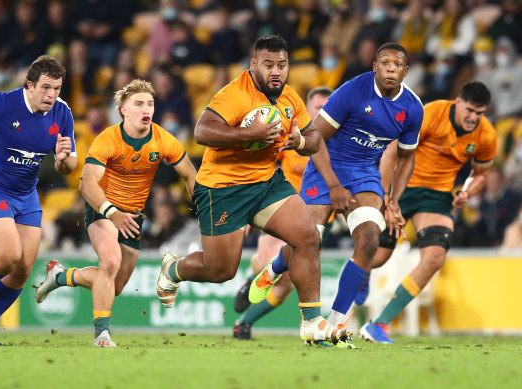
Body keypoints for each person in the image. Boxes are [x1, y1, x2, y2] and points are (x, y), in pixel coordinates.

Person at [155, 34, 349, 346]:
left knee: (308, 237)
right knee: (220, 271)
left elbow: (314, 138)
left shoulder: (289, 97)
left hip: (265, 183)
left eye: (282, 65)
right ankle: (174, 268)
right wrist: (249, 134)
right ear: (254, 64)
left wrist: (299, 142)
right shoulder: (234, 94)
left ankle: (312, 322)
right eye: (269, 64)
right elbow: (202, 131)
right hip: (222, 188)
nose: (276, 71)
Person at [250, 42, 424, 347]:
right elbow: (313, 140)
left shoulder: (412, 108)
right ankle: (276, 267)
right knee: (308, 241)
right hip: (325, 165)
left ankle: (336, 321)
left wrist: (393, 198)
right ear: (374, 67)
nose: (390, 69)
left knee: (370, 237)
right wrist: (334, 187)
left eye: (397, 65)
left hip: (364, 172)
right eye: (384, 63)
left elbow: (407, 157)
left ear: (405, 71)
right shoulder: (352, 91)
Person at [34, 79, 196, 347]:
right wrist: (111, 212)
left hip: (133, 216)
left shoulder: (162, 139)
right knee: (109, 263)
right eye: (139, 104)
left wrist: (203, 206)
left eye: (150, 104)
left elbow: (189, 173)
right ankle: (102, 334)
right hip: (103, 209)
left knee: (114, 286)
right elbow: (87, 183)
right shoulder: (108, 139)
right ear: (124, 110)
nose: (147, 109)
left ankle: (60, 276)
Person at [0, 55, 77, 346]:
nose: (52, 95)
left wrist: (62, 161)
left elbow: (69, 165)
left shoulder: (62, 113)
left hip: (26, 195)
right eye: (46, 87)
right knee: (8, 256)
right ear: (29, 85)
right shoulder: (2, 104)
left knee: (23, 269)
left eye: (57, 88)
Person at [359, 81, 495, 343]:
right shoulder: (431, 114)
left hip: (437, 196)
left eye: (480, 113)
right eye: (469, 110)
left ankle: (379, 325)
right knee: (377, 257)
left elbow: (481, 174)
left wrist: (467, 192)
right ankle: (344, 301)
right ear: (458, 102)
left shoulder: (486, 134)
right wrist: (387, 198)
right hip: (403, 187)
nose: (473, 118)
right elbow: (391, 152)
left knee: (434, 257)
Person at [233, 86, 332, 340]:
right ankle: (255, 275)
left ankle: (243, 322)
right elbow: (258, 168)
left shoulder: (336, 142)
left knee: (287, 284)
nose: (323, 112)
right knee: (270, 262)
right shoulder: (289, 132)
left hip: (315, 223)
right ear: (307, 110)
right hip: (280, 210)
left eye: (327, 107)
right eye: (318, 107)